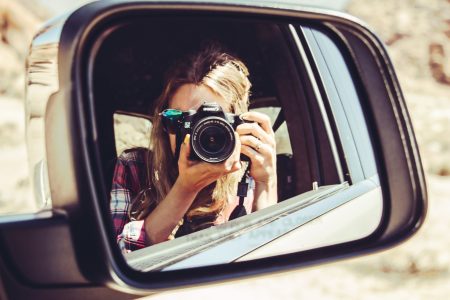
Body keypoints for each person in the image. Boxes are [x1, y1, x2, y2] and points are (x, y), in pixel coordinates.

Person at [110, 46, 277, 252]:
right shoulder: (135, 168)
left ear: (237, 125)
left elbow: (266, 253)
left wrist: (265, 181)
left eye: (211, 122)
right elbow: (120, 258)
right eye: (179, 120)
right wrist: (185, 188)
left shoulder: (247, 172)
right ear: (164, 124)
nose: (195, 134)